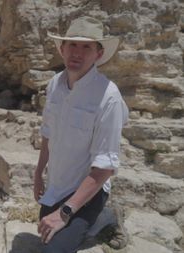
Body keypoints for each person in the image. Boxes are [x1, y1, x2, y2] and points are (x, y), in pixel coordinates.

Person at [34, 16, 129, 252]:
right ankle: (99, 218)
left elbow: (105, 167)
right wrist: (38, 173)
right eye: (72, 45)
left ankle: (105, 217)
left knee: (51, 250)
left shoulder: (109, 97)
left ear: (98, 54)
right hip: (57, 186)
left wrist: (65, 213)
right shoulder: (55, 84)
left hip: (87, 191)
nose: (77, 52)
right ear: (62, 49)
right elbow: (48, 133)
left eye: (86, 46)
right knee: (45, 232)